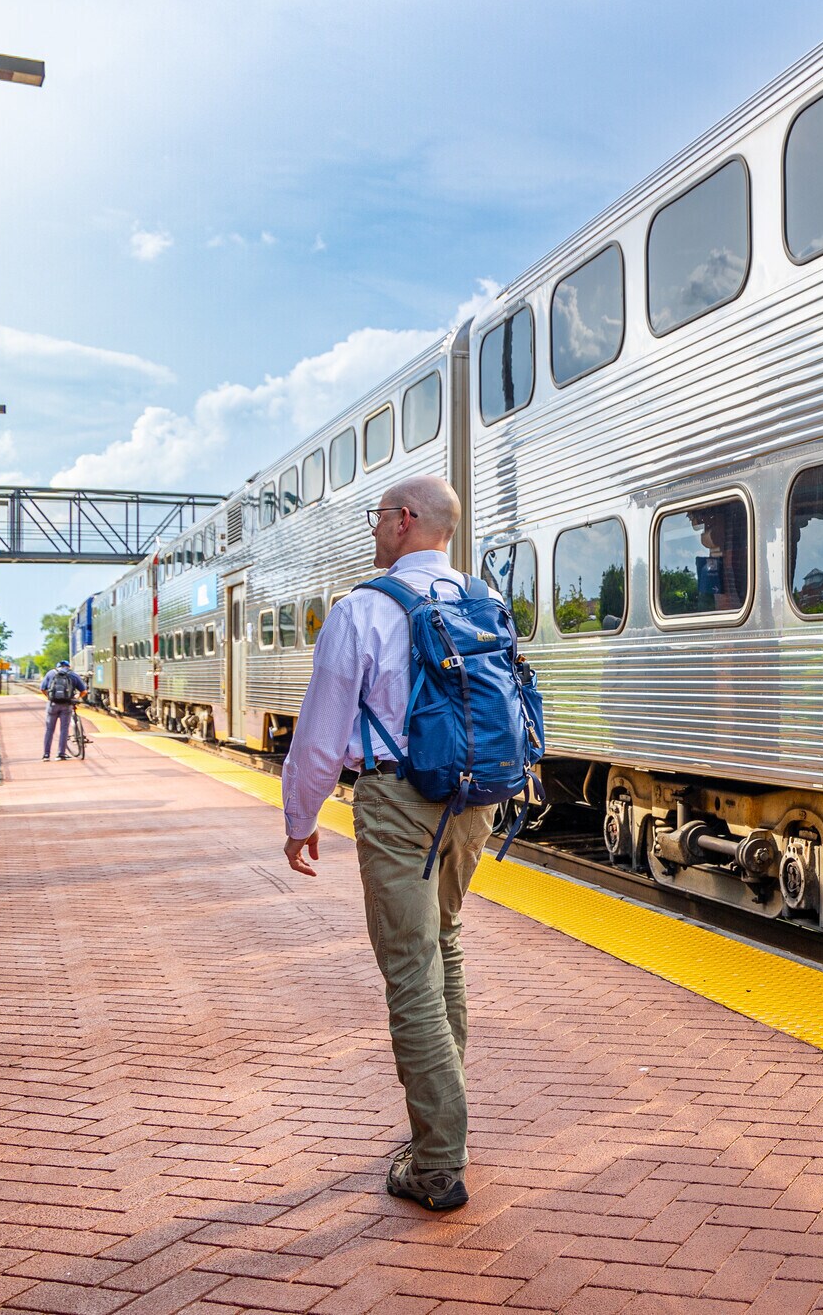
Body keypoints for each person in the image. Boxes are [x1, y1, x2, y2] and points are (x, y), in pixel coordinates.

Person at [280, 476, 498, 1213]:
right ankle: (449, 1122)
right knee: (446, 945)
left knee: (410, 968)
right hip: (474, 802)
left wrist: (299, 816)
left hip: (398, 800)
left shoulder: (362, 609)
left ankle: (437, 1159)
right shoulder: (482, 600)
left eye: (378, 518)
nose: (373, 530)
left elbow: (319, 734)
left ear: (405, 522)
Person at [40, 660, 86, 760]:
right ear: (68, 666)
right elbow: (84, 691)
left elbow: (42, 688)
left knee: (49, 730)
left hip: (52, 705)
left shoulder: (50, 673)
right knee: (64, 729)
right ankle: (61, 753)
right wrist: (77, 697)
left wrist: (49, 697)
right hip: (67, 705)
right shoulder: (73, 675)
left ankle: (46, 755)